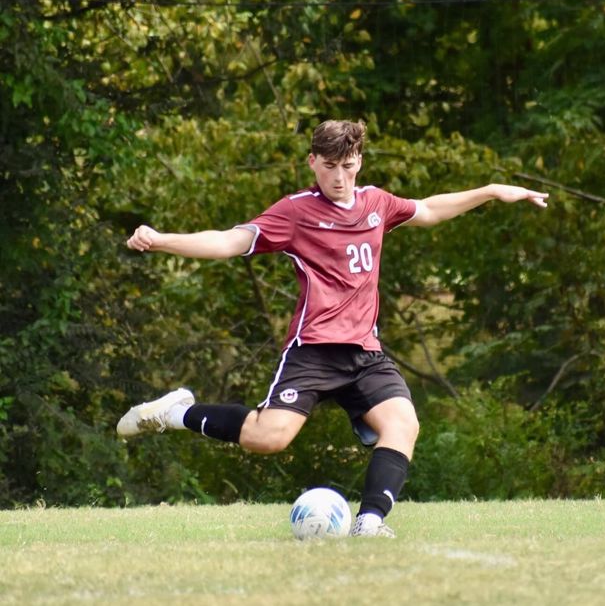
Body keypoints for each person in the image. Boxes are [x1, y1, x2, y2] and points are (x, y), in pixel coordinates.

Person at [117, 119, 548, 537]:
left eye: (348, 165)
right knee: (268, 439)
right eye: (329, 166)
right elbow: (230, 240)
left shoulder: (376, 203)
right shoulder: (296, 211)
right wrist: (162, 239)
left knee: (403, 424)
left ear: (359, 161)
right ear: (312, 162)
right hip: (314, 351)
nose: (339, 177)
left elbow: (430, 209)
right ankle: (175, 412)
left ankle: (370, 523)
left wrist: (491, 191)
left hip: (365, 353)